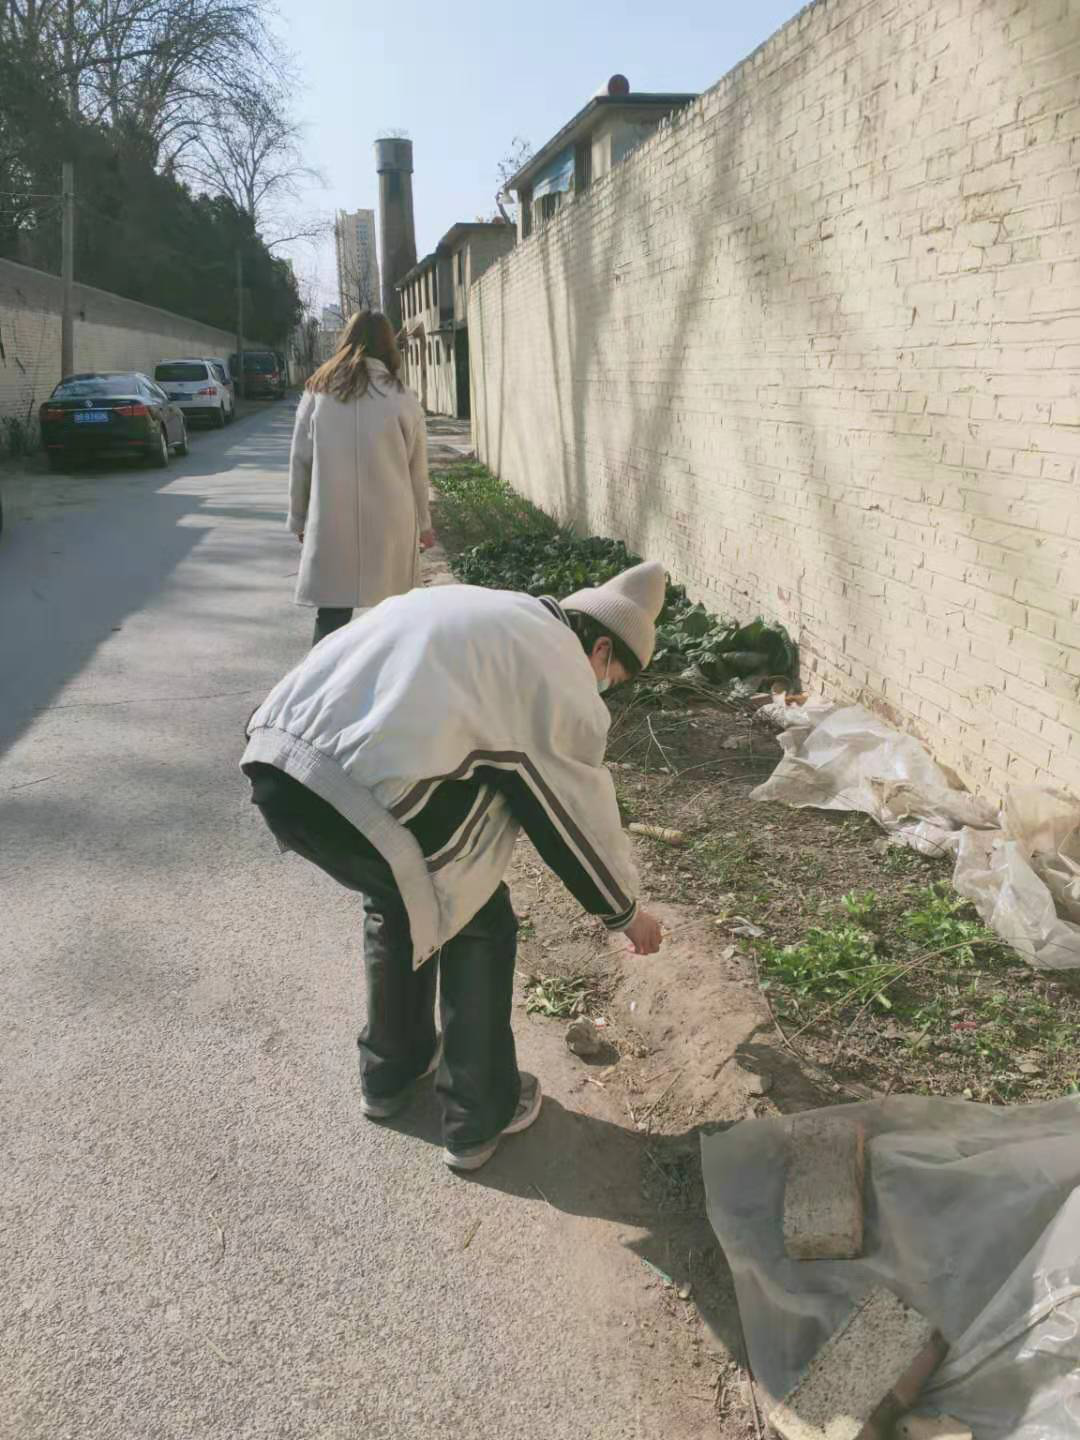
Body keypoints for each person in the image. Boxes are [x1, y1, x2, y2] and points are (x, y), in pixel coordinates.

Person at [241, 560, 667, 1171]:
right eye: (614, 677)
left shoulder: (488, 610)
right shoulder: (558, 667)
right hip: (356, 793)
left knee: (399, 894)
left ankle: (391, 1071)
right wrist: (624, 912)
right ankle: (477, 1115)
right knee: (478, 917)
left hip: (277, 762)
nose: (604, 686)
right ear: (602, 649)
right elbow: (571, 810)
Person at [288, 309, 436, 646]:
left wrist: (299, 518)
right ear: (388, 346)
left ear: (346, 339)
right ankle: (391, 676)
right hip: (391, 521)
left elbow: (301, 461)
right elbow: (417, 471)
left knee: (331, 616)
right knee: (394, 615)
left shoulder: (318, 393)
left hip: (332, 520)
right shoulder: (402, 397)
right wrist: (424, 524)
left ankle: (324, 676)